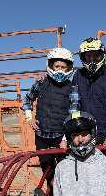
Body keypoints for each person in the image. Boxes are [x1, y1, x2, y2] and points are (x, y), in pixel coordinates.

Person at [23, 47, 75, 179]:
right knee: (48, 174)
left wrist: (65, 138)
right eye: (57, 66)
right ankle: (51, 192)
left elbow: (73, 113)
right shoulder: (41, 83)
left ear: (68, 68)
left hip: (61, 137)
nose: (60, 70)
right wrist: (29, 118)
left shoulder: (72, 88)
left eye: (63, 67)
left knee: (65, 175)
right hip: (41, 136)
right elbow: (27, 100)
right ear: (51, 66)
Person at [74, 38, 106, 144]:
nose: (92, 59)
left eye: (95, 55)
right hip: (84, 133)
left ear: (102, 55)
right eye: (88, 56)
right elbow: (74, 104)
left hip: (105, 134)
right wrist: (76, 131)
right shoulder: (78, 75)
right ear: (83, 57)